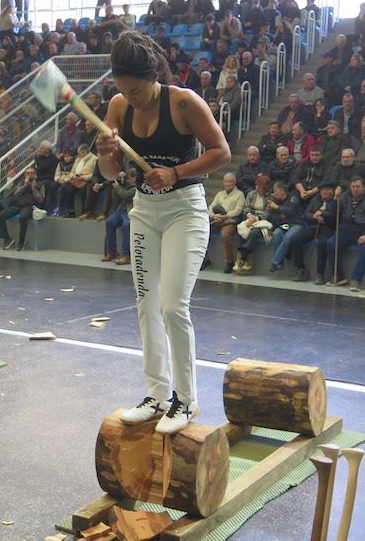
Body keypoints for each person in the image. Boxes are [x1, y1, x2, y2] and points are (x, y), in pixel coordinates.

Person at [96, 30, 230, 434]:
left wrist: (175, 172)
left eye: (137, 91)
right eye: (124, 91)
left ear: (154, 75)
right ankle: (156, 395)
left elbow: (220, 153)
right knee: (146, 304)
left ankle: (186, 402)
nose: (130, 98)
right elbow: (110, 174)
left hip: (184, 211)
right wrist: (106, 153)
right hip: (144, 211)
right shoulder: (118, 105)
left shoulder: (185, 102)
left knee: (173, 306)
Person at [326, 176, 365, 291]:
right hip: (346, 231)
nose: (355, 189)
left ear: (364, 187)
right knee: (331, 243)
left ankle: (356, 280)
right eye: (353, 187)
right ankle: (338, 276)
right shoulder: (344, 197)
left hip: (364, 232)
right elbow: (333, 214)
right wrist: (335, 198)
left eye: (358, 186)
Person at [288, 181, 337, 283]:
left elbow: (333, 214)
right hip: (314, 226)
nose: (325, 192)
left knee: (322, 243)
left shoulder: (335, 200)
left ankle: (320, 273)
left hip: (327, 227)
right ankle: (301, 268)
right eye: (323, 190)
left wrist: (322, 213)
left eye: (328, 189)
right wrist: (315, 217)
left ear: (332, 191)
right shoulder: (316, 199)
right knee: (295, 239)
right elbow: (306, 214)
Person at [202, 173, 245, 273]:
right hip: (217, 220)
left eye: (230, 181)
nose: (228, 183)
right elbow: (211, 207)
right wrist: (213, 216)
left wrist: (225, 216)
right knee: (203, 232)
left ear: (234, 182)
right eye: (226, 181)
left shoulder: (239, 194)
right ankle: (205, 259)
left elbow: (238, 210)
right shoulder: (219, 194)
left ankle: (230, 262)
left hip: (230, 221)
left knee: (225, 235)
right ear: (223, 182)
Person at [0, 167, 45, 252]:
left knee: (23, 218)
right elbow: (16, 194)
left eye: (31, 173)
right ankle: (7, 238)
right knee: (0, 216)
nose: (30, 175)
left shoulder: (40, 184)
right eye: (27, 173)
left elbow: (41, 199)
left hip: (29, 206)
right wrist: (25, 185)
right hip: (17, 205)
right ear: (24, 175)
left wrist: (33, 188)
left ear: (35, 174)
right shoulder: (21, 183)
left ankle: (21, 241)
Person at [102, 169, 138, 266]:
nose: (127, 180)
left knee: (126, 225)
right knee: (109, 222)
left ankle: (127, 255)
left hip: (131, 212)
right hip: (122, 210)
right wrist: (119, 177)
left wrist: (118, 187)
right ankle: (111, 251)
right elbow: (113, 182)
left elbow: (127, 195)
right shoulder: (127, 184)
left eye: (129, 178)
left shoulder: (138, 188)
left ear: (135, 178)